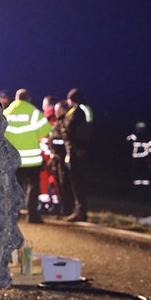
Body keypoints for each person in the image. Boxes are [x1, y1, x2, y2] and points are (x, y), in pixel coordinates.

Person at [3, 89, 52, 223]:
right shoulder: (34, 113)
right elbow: (46, 131)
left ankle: (14, 216)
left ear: (16, 98)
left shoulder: (6, 113)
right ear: (28, 99)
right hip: (32, 160)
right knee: (33, 187)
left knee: (14, 188)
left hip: (13, 160)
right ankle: (32, 215)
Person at [62, 88, 92, 222]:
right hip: (80, 150)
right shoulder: (84, 110)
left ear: (71, 99)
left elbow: (71, 131)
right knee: (78, 182)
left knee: (77, 182)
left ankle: (80, 211)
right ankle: (80, 209)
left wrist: (77, 148)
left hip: (76, 151)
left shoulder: (77, 112)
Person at [48, 101, 73, 216]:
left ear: (63, 110)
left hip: (62, 158)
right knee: (58, 184)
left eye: (58, 110)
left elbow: (64, 140)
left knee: (64, 184)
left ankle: (68, 209)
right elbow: (52, 139)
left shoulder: (64, 122)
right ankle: (63, 208)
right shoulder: (57, 122)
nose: (56, 112)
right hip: (55, 158)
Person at [126, 121, 151, 191]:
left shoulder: (147, 137)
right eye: (139, 128)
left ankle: (145, 185)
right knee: (136, 170)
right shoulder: (134, 136)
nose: (140, 130)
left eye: (142, 128)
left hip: (144, 157)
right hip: (136, 157)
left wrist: (150, 152)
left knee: (144, 170)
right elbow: (127, 141)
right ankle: (136, 184)